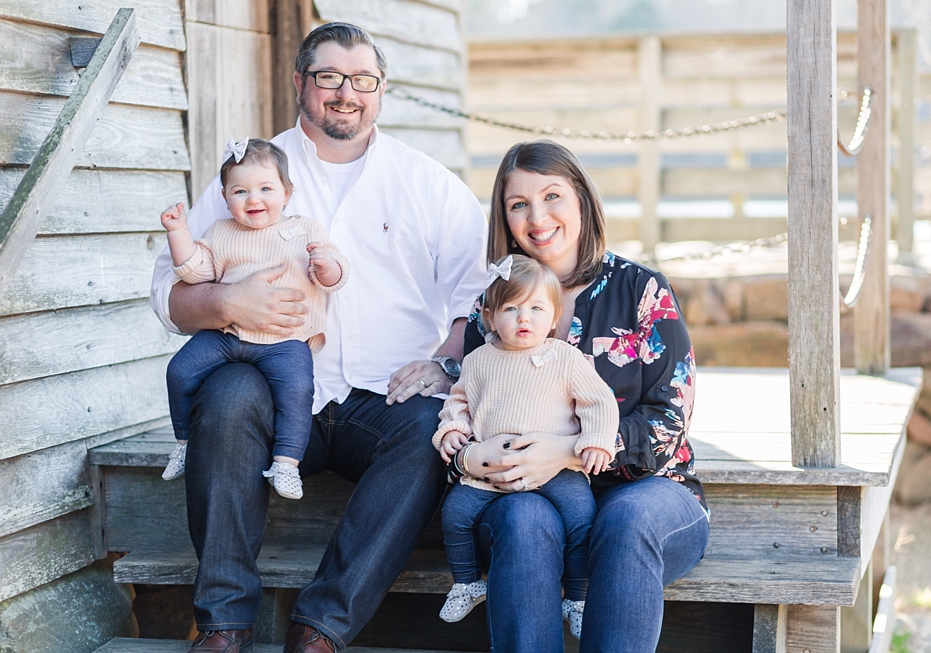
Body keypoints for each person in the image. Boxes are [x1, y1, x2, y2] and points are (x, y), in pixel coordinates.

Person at [149, 22, 486, 653]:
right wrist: (222, 299)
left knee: (428, 436)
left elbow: (482, 293)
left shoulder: (426, 182)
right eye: (330, 77)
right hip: (269, 385)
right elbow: (167, 293)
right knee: (222, 400)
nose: (346, 93)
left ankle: (320, 629)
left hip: (383, 397)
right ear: (301, 83)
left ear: (381, 90)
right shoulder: (249, 169)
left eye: (363, 80)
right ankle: (222, 624)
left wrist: (445, 360)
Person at [450, 140, 710, 653]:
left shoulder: (641, 290)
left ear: (583, 203)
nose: (537, 217)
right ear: (504, 218)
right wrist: (467, 454)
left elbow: (667, 423)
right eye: (518, 204)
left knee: (625, 520)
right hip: (526, 495)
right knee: (523, 522)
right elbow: (471, 405)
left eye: (552, 197)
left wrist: (567, 452)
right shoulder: (495, 303)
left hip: (647, 491)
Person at [432, 255, 618, 638]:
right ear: (489, 316)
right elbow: (459, 401)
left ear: (554, 318)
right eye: (511, 308)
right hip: (492, 470)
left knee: (582, 518)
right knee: (454, 513)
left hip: (558, 469)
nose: (523, 318)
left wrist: (596, 441)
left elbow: (598, 402)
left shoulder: (564, 358)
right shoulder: (479, 360)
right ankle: (467, 583)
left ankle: (578, 598)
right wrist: (452, 429)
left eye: (536, 308)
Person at [160, 138, 349, 500]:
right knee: (180, 370)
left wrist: (326, 265)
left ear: (287, 193)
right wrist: (177, 232)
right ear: (225, 196)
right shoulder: (220, 232)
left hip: (285, 339)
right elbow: (193, 271)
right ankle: (185, 443)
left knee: (296, 391)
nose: (253, 199)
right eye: (240, 191)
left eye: (265, 189)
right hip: (228, 334)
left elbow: (338, 277)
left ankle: (286, 462)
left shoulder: (305, 230)